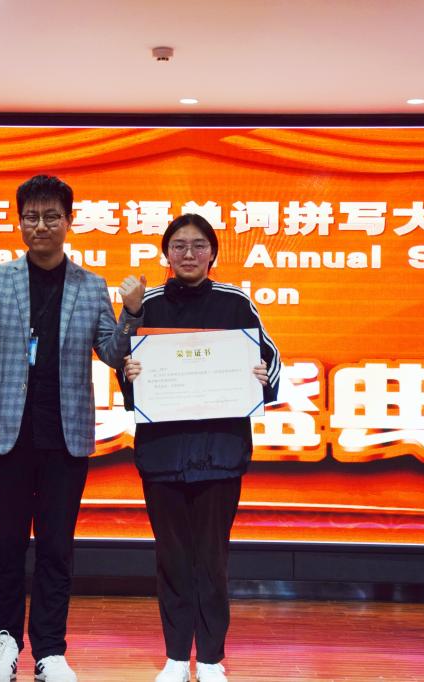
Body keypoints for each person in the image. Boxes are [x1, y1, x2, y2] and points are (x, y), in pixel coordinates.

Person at [0, 174, 145, 682]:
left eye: (51, 217)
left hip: (65, 436)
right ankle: (3, 644)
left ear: (69, 221)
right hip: (7, 433)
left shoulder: (89, 285)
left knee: (57, 547)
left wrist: (131, 313)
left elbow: (112, 353)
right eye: (31, 217)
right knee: (6, 545)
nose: (40, 226)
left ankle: (50, 650)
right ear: (20, 222)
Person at [118, 214, 280, 682]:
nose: (188, 254)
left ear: (213, 253)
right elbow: (123, 363)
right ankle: (175, 657)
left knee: (212, 558)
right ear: (165, 254)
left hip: (220, 453)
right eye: (179, 246)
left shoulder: (236, 302)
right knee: (171, 557)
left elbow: (271, 359)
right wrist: (129, 374)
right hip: (163, 453)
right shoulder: (146, 305)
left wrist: (261, 376)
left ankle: (209, 658)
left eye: (198, 245)